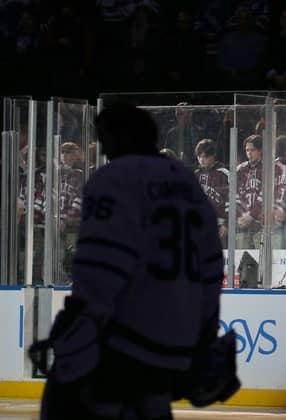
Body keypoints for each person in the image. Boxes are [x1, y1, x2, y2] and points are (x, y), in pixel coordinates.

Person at [38, 102, 224, 419]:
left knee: (64, 401)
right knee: (150, 405)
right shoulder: (187, 180)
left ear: (120, 138)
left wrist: (77, 321)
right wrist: (204, 331)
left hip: (127, 335)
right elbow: (212, 263)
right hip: (178, 337)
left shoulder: (113, 178)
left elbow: (102, 267)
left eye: (105, 138)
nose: (104, 147)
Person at [194, 139, 229, 246]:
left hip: (219, 227)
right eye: (199, 156)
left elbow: (231, 201)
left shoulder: (224, 174)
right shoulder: (195, 175)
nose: (201, 160)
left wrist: (227, 224)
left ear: (213, 155)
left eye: (205, 156)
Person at [236, 135, 264, 249]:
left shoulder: (267, 167)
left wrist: (252, 215)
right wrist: (240, 215)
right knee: (241, 262)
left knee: (262, 261)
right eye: (247, 150)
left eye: (252, 150)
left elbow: (266, 194)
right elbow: (235, 195)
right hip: (242, 223)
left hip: (260, 225)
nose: (249, 153)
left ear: (260, 150)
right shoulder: (240, 169)